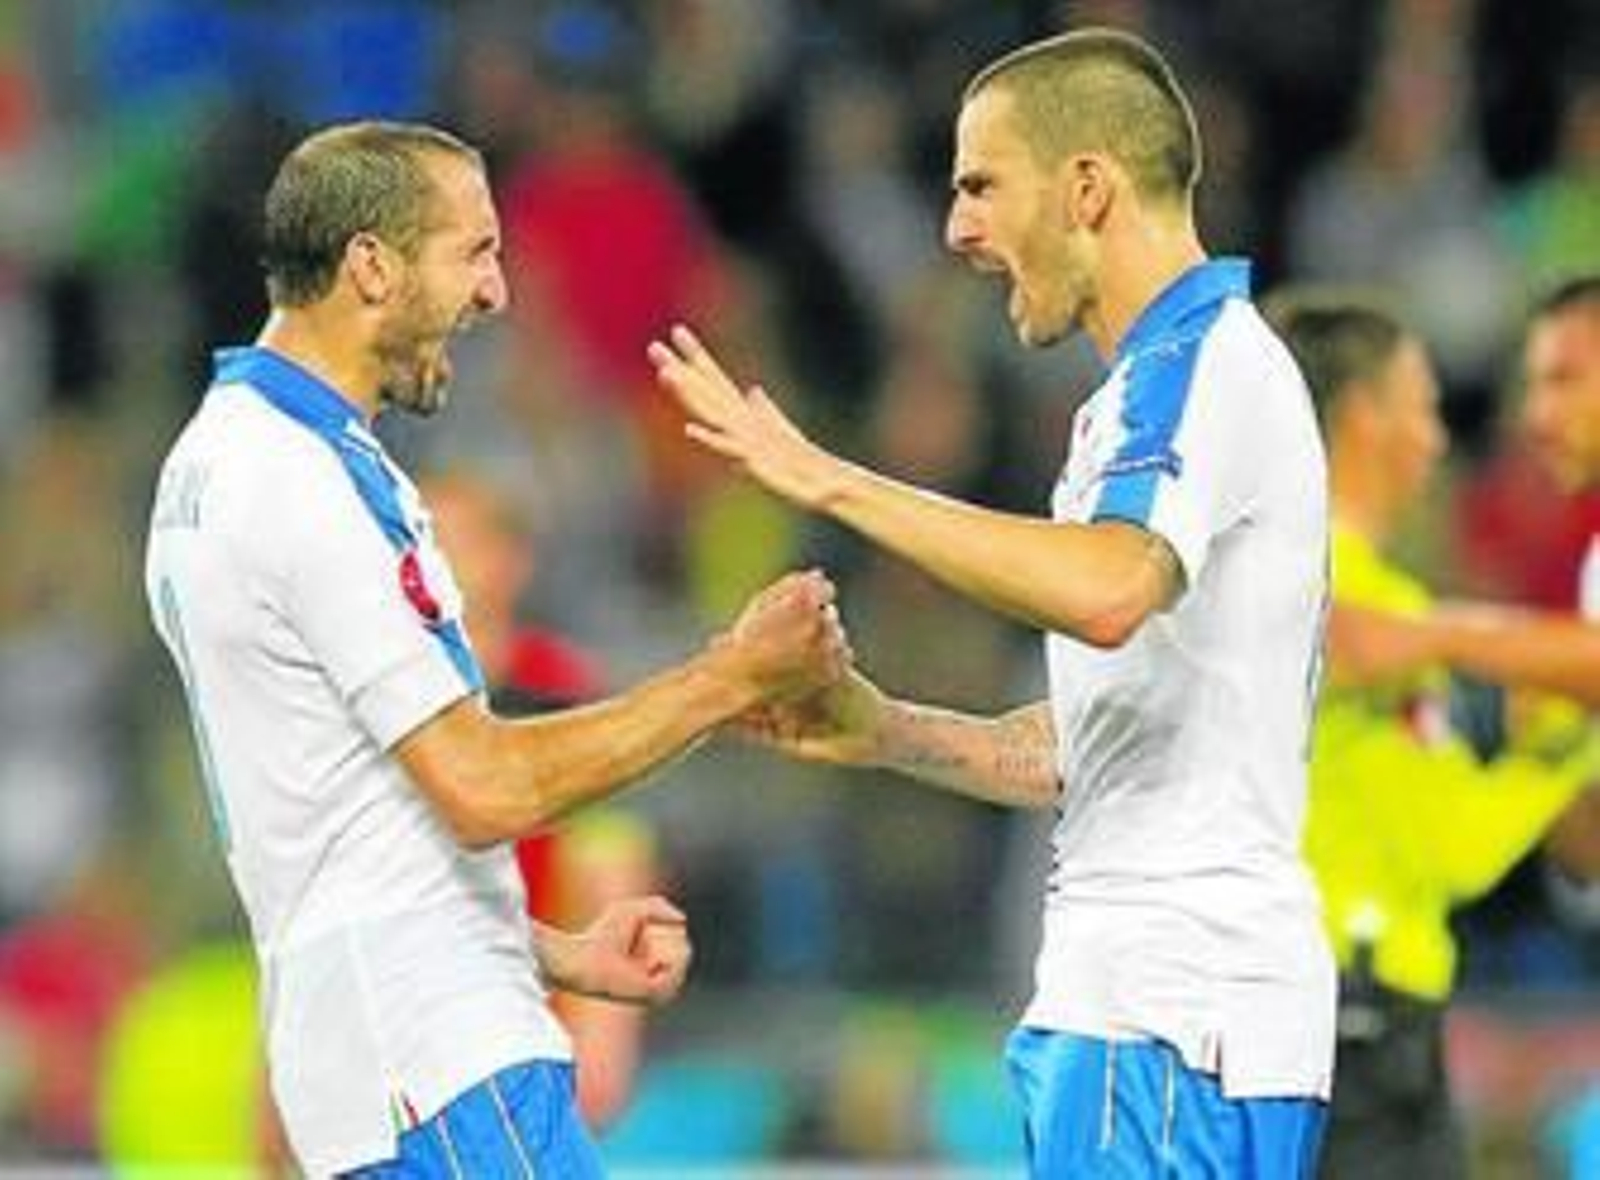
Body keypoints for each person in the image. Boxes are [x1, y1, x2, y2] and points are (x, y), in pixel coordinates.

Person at [651, 27, 1333, 1178]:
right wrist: (886, 731)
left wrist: (826, 475)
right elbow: (1090, 741)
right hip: (1171, 1004)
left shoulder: (1198, 365)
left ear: (1085, 187)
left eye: (979, 184)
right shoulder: (1152, 398)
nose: (957, 228)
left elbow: (1111, 590)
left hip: (1164, 1009)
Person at [142, 120, 849, 1178]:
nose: (496, 294)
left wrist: (557, 952)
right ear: (371, 265)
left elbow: (348, 820)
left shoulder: (215, 458)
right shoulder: (300, 482)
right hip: (441, 1064)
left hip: (375, 1057)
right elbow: (479, 784)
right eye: (472, 251)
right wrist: (729, 674)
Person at [1263, 289, 1600, 1179]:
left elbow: (1451, 842)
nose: (1440, 440)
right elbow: (1449, 846)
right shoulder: (1307, 586)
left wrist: (1557, 741)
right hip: (1337, 1011)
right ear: (1367, 418)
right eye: (1425, 408)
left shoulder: (1388, 605)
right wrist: (1562, 732)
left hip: (1369, 1015)